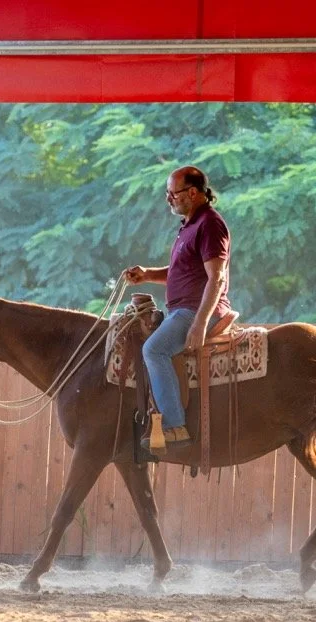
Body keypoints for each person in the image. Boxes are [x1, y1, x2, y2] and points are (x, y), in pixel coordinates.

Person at [123, 165, 232, 452]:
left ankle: (173, 427)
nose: (168, 199)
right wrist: (147, 274)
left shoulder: (210, 224)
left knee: (153, 350)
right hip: (183, 311)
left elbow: (216, 278)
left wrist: (199, 323)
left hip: (195, 312)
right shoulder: (189, 226)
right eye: (167, 193)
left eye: (173, 193)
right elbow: (181, 271)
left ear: (193, 193)